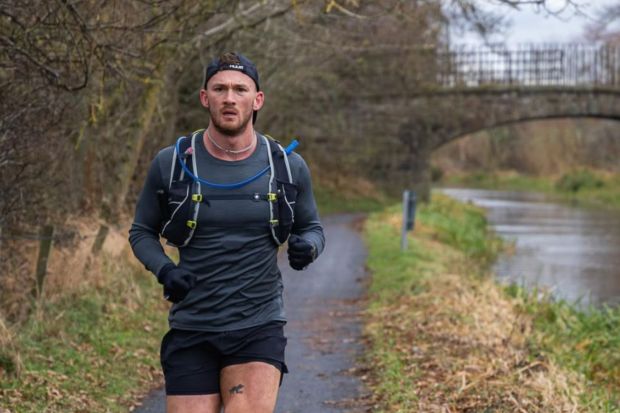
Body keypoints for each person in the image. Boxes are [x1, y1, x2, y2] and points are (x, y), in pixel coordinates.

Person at [128, 52, 325, 413]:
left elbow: (312, 227)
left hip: (258, 324)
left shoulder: (286, 165)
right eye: (220, 89)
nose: (230, 98)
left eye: (240, 89)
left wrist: (307, 247)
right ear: (205, 97)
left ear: (257, 99)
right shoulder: (172, 163)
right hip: (192, 326)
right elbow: (141, 232)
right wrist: (166, 269)